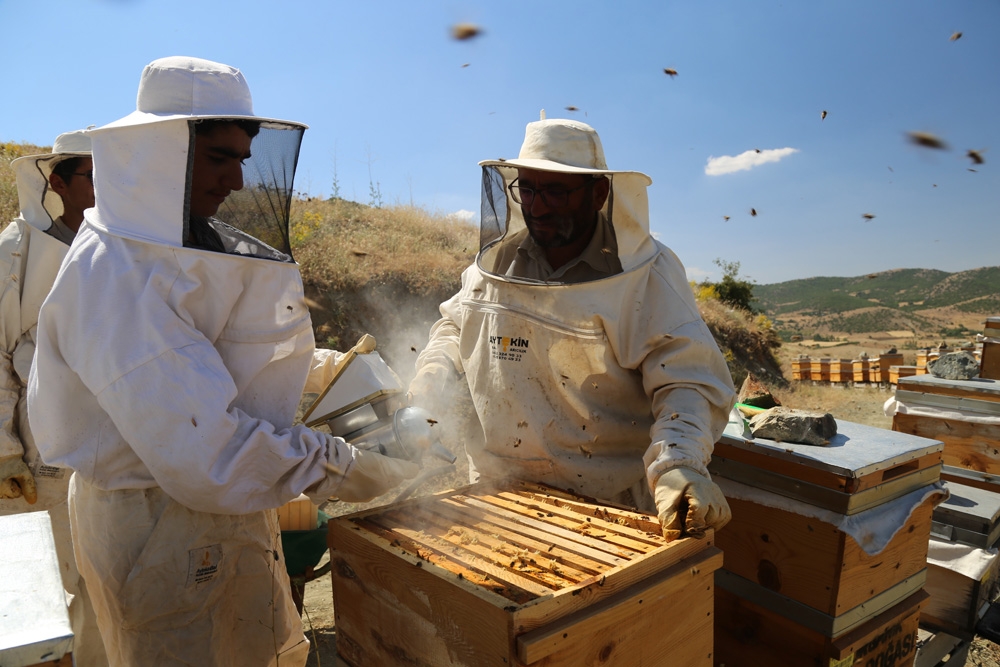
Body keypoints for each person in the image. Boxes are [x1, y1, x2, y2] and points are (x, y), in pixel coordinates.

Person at [27, 56, 418, 666]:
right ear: (161, 154)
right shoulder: (117, 274)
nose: (238, 180)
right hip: (160, 524)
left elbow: (221, 358)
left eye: (242, 158)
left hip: (213, 512)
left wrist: (330, 368)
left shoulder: (168, 248)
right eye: (218, 158)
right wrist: (354, 469)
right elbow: (212, 454)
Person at [409, 117, 736, 541]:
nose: (537, 207)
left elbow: (688, 380)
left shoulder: (646, 273)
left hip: (606, 506)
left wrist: (679, 463)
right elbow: (455, 326)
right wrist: (430, 379)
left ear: (598, 192)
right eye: (527, 189)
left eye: (556, 192)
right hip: (497, 490)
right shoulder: (497, 264)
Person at [1, 130, 108, 665]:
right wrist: (4, 457)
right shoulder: (14, 252)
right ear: (57, 182)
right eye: (91, 174)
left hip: (110, 448)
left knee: (104, 583)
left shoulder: (121, 249)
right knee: (52, 585)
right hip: (40, 452)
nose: (102, 185)